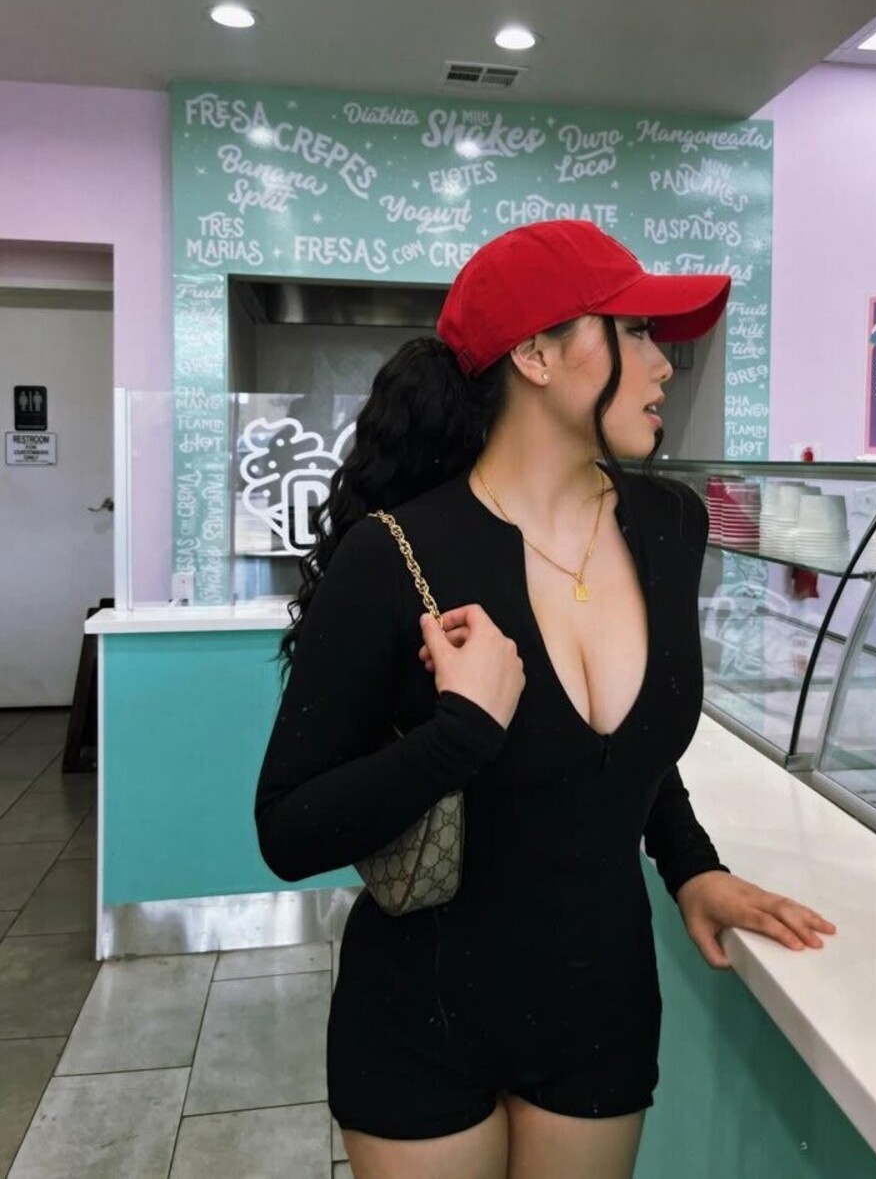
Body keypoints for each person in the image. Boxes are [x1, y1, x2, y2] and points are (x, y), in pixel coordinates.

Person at [255, 221, 836, 1179]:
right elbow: (287, 829)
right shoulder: (394, 553)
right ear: (534, 354)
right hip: (422, 1017)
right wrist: (458, 734)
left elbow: (622, 755)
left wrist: (691, 867)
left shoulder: (669, 526)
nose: (664, 364)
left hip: (600, 1006)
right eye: (635, 332)